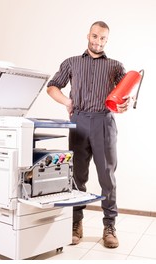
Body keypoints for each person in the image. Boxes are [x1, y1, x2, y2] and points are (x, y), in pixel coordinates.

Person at [47, 21, 130, 248]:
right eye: (95, 36)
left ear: (107, 40)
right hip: (79, 122)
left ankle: (109, 226)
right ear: (88, 35)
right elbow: (52, 86)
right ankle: (76, 223)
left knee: (107, 178)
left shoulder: (115, 66)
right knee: (76, 176)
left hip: (104, 122)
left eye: (103, 38)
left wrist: (124, 104)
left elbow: (124, 94)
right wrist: (68, 101)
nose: (98, 41)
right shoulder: (71, 63)